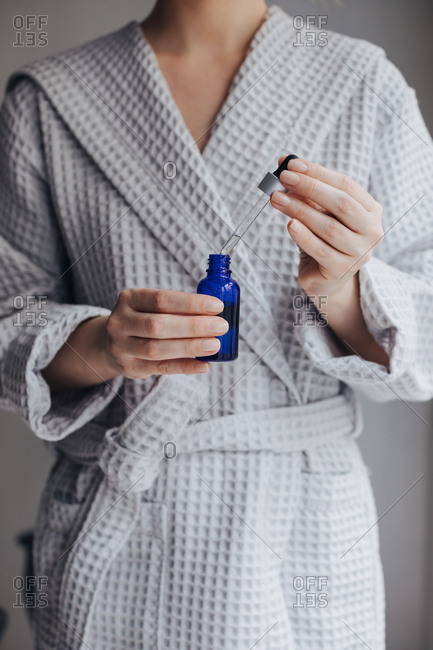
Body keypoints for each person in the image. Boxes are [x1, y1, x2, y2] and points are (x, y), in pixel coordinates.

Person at [1, 1, 432, 648]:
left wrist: (343, 286)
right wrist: (102, 344)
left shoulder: (360, 83)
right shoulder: (50, 98)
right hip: (121, 522)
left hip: (293, 533)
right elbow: (9, 320)